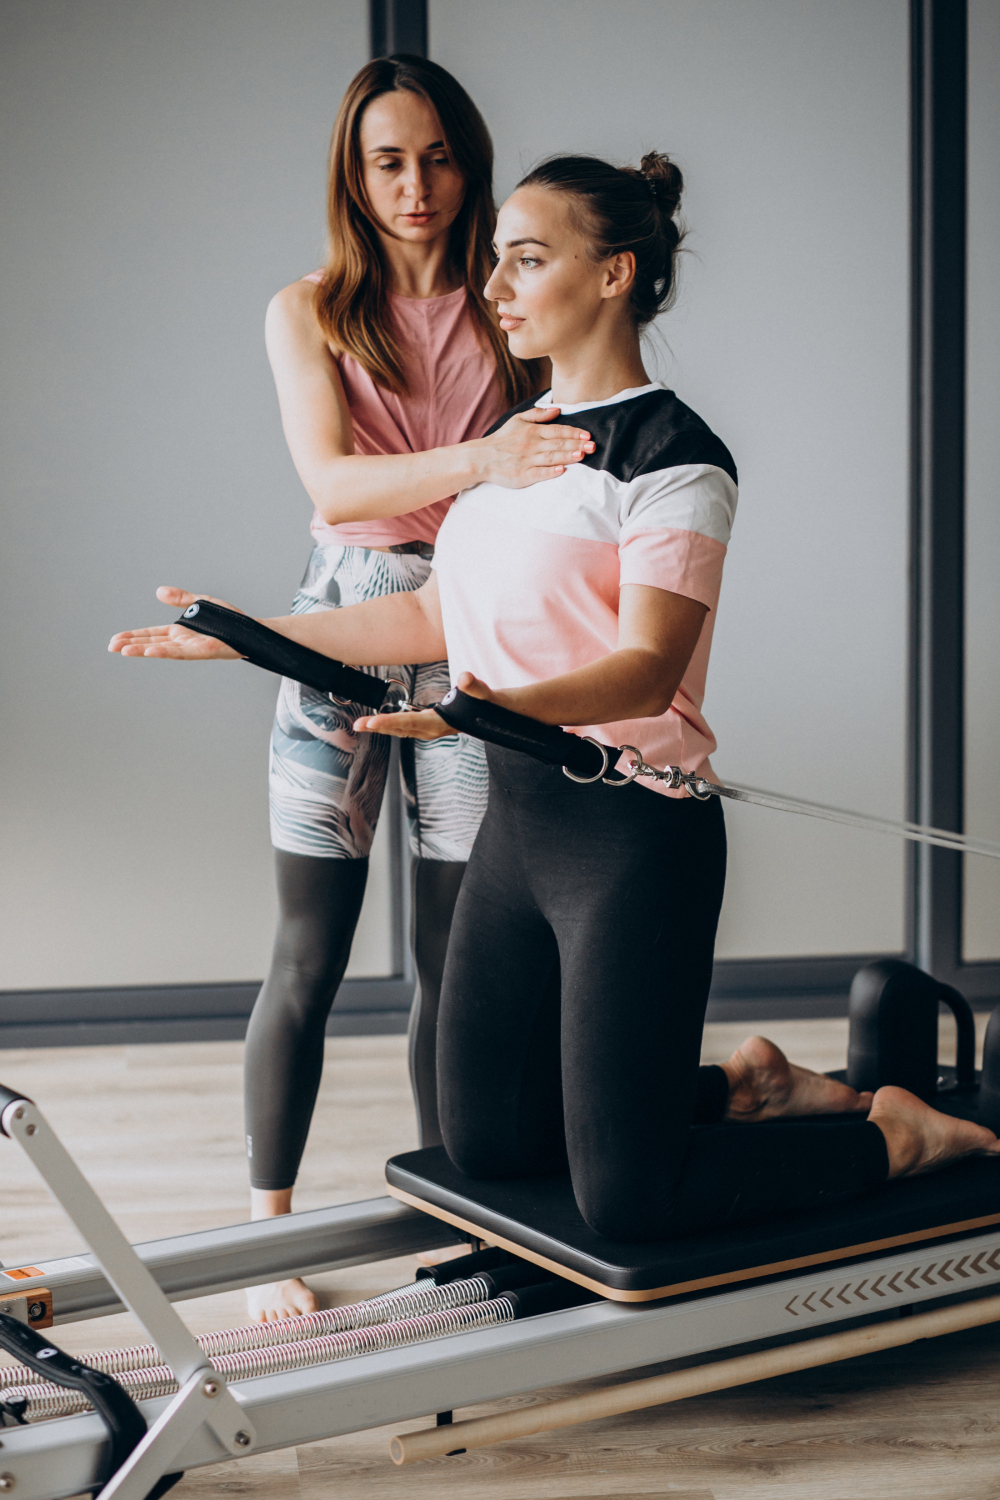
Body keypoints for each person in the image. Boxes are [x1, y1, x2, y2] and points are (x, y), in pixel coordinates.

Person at [112, 151, 1000, 1243]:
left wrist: (483, 710)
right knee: (486, 1142)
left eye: (526, 261)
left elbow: (645, 669)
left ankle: (896, 1137)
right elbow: (428, 620)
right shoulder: (517, 449)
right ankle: (747, 1088)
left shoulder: (679, 461)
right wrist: (251, 640)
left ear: (614, 273)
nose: (494, 286)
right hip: (517, 833)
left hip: (630, 838)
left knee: (626, 1198)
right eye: (497, 261)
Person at [160, 56, 597, 1321]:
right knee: (306, 951)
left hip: (474, 637)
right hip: (337, 631)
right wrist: (488, 457)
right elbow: (342, 489)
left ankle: (451, 1220)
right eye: (387, 161)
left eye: (440, 157)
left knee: (455, 965)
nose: (417, 186)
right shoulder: (306, 310)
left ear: (472, 160)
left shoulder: (516, 306)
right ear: (354, 176)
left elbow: (563, 467)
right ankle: (267, 1239)